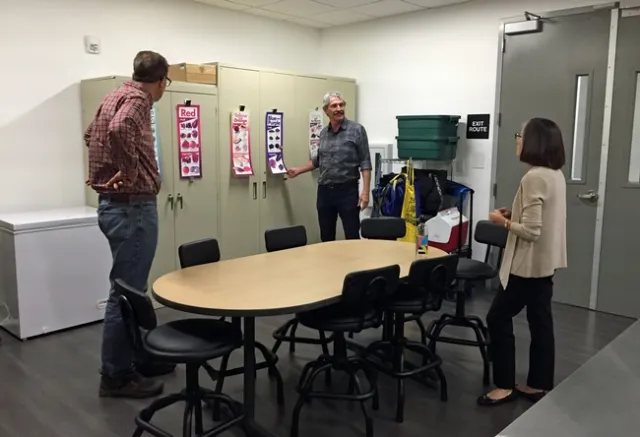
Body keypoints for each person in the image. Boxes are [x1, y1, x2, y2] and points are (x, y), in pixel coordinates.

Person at [85, 51, 175, 398]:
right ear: (161, 81)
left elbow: (91, 134)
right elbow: (119, 130)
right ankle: (116, 374)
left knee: (131, 290)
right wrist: (132, 173)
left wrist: (109, 170)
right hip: (132, 207)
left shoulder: (115, 94)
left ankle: (138, 358)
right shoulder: (139, 99)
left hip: (114, 206)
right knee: (124, 294)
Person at [478, 118, 567, 406]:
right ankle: (538, 384)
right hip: (545, 263)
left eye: (520, 135)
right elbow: (539, 220)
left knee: (497, 318)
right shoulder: (555, 174)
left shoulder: (533, 178)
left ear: (533, 142)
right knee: (541, 321)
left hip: (526, 267)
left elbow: (530, 231)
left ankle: (504, 385)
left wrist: (501, 222)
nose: (517, 139)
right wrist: (513, 214)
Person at [287, 92, 371, 241]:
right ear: (326, 110)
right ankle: (328, 264)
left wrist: (365, 192)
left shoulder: (357, 130)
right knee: (326, 236)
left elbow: (365, 162)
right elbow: (318, 160)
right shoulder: (324, 133)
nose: (339, 108)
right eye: (334, 106)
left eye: (341, 104)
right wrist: (298, 170)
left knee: (352, 235)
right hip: (325, 192)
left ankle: (355, 264)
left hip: (348, 191)